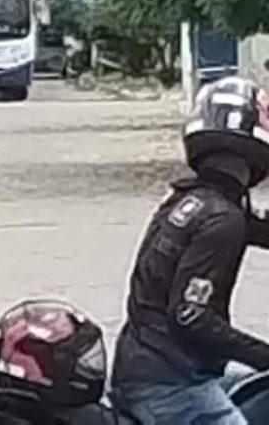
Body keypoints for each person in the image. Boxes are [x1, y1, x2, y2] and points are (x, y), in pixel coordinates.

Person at [111, 76, 269, 424]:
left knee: (255, 390)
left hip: (143, 368)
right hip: (171, 386)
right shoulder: (223, 219)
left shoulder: (190, 201)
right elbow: (191, 315)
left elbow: (255, 228)